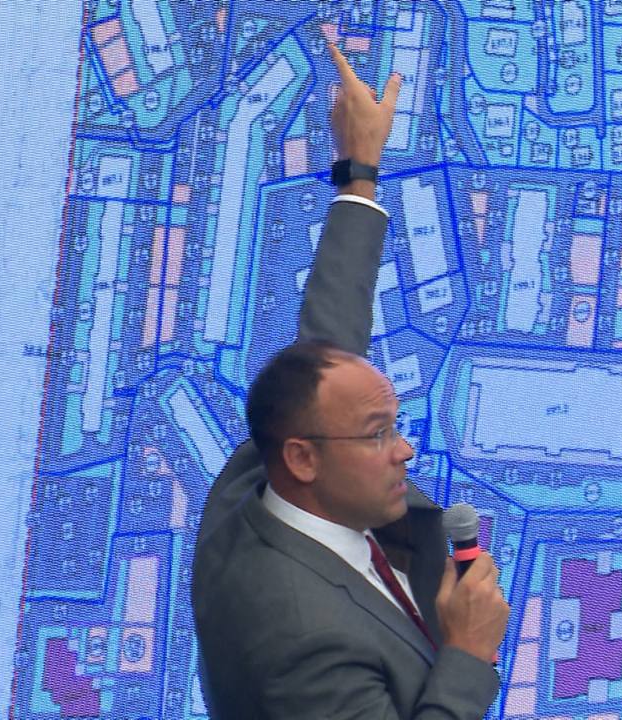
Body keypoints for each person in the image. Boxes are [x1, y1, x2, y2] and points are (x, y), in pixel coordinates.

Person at [189, 43, 511, 719]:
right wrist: (468, 655)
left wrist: (358, 172)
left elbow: (329, 343)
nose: (405, 451)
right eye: (377, 435)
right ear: (304, 458)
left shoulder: (264, 476)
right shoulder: (296, 638)